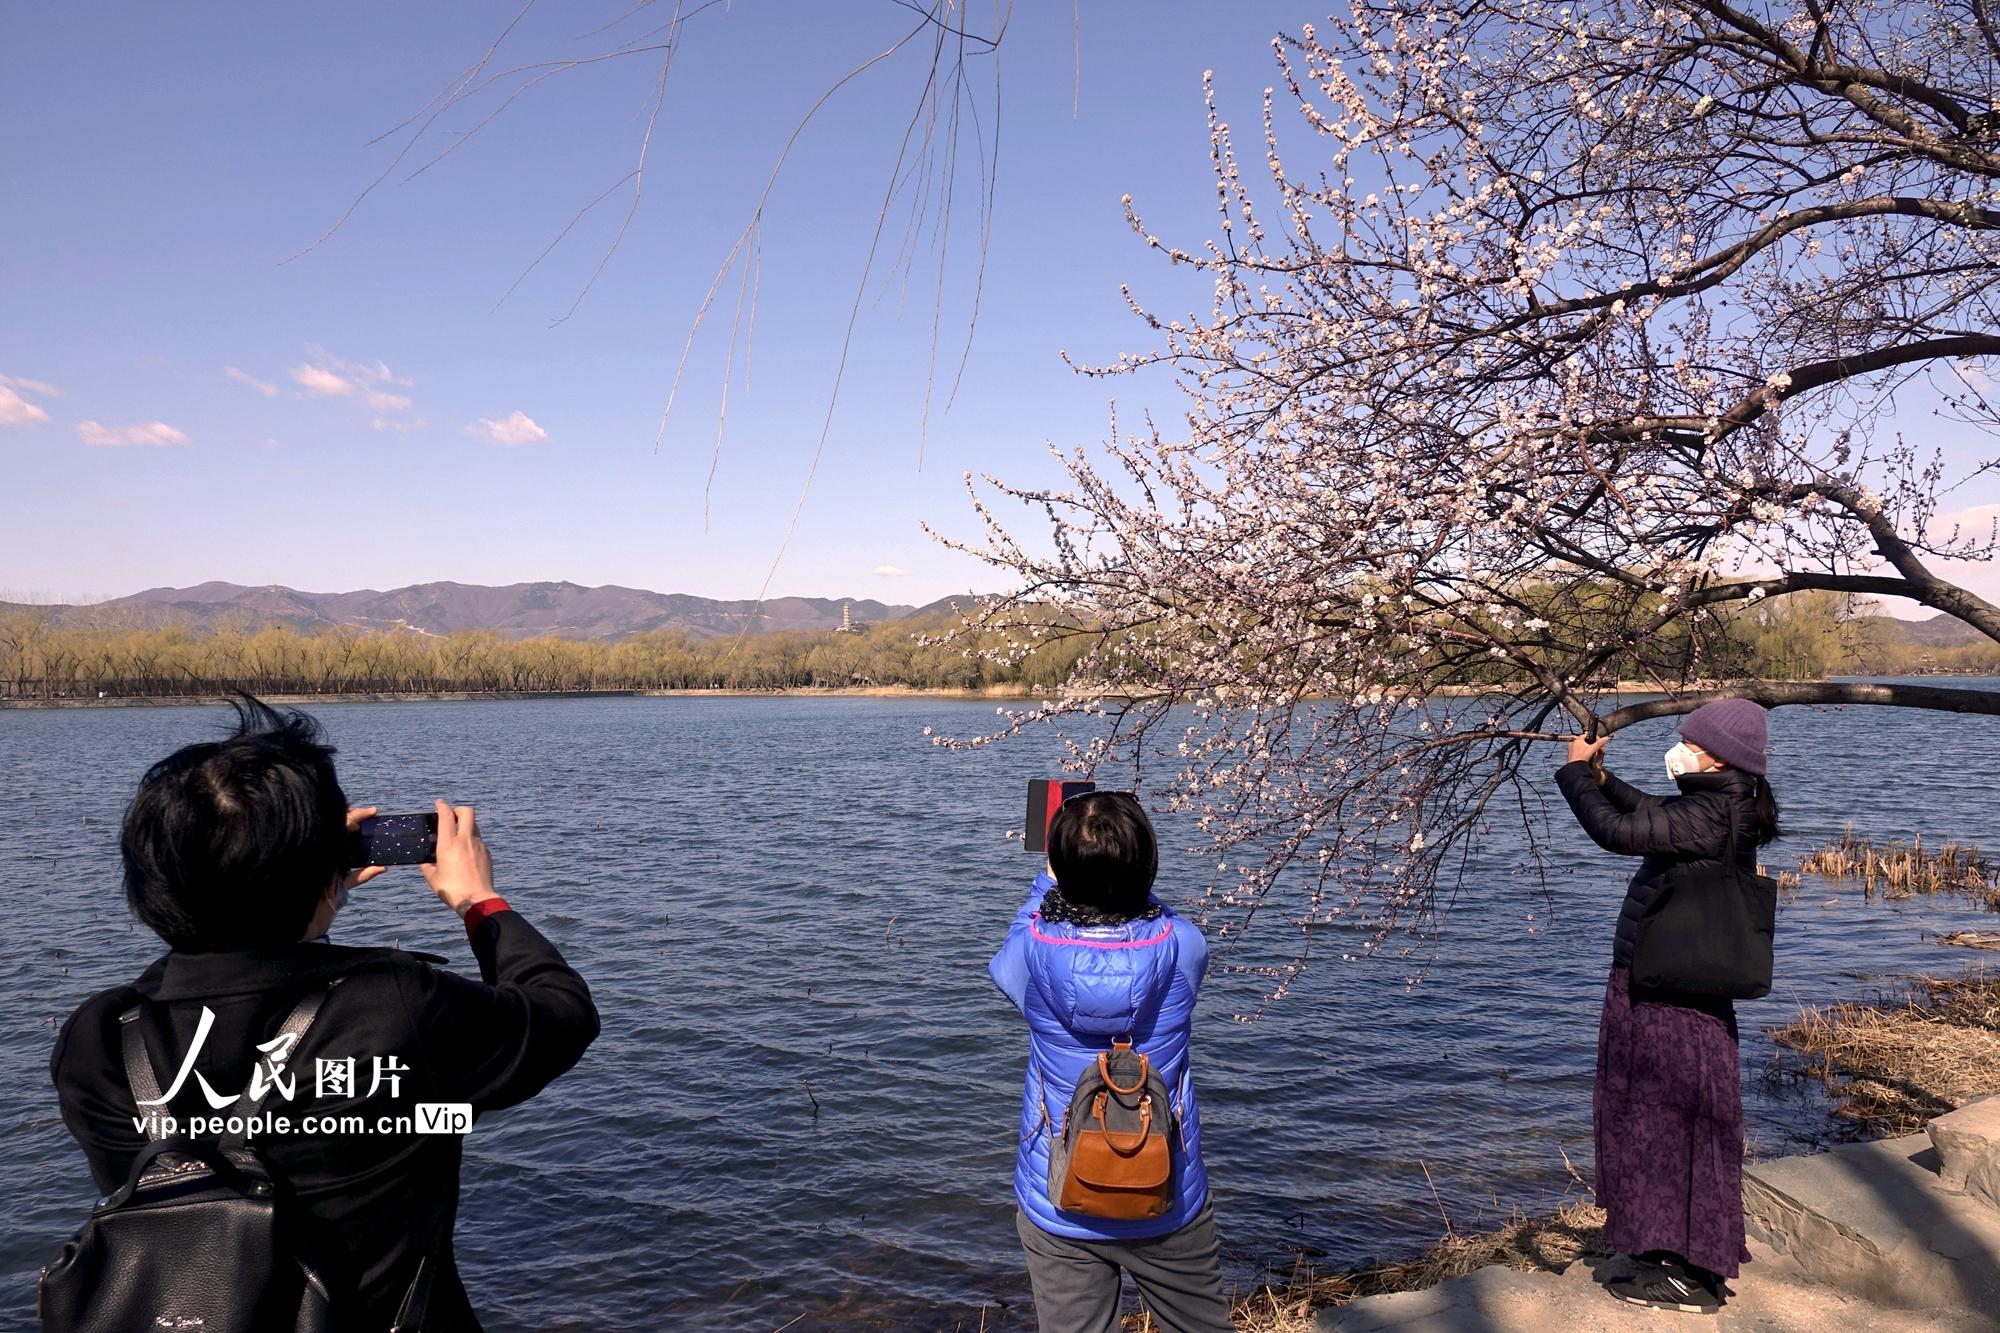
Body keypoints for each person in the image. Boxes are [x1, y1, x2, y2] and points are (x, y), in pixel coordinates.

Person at [49, 697, 599, 1331]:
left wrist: (305, 891)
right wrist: (479, 900)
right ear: (321, 874)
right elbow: (561, 1014)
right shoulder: (392, 1006)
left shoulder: (96, 1042)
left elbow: (218, 978)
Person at [1555, 698, 1780, 1315]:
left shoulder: (1712, 813)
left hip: (1668, 995)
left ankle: (1689, 1274)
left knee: (1665, 1120)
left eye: (1689, 739)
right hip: (1670, 987)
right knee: (1658, 1118)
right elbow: (1652, 813)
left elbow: (1617, 832)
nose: (1679, 746)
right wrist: (1603, 780)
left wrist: (1576, 773)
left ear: (1717, 756)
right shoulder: (1721, 803)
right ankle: (1664, 1249)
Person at [989, 791, 1233, 1333]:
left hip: (1060, 1195)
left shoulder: (1030, 954)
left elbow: (1012, 946)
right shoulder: (1183, 946)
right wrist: (1124, 878)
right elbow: (1156, 921)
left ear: (1060, 869)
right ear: (1147, 865)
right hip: (1165, 1189)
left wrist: (1048, 880)